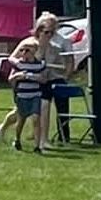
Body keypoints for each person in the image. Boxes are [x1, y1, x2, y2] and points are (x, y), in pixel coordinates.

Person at [35, 12, 75, 149]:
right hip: (42, 79)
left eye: (52, 24)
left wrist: (67, 76)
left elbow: (70, 60)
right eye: (46, 25)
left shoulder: (63, 40)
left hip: (58, 77)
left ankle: (64, 136)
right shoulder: (37, 40)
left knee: (63, 109)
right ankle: (39, 136)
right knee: (40, 108)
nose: (49, 28)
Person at [8, 38, 47, 151]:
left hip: (35, 95)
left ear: (34, 51)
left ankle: (37, 146)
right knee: (21, 120)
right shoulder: (19, 64)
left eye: (27, 50)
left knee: (36, 118)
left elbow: (44, 79)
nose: (24, 53)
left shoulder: (40, 65)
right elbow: (11, 79)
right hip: (22, 95)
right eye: (22, 50)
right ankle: (17, 139)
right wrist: (17, 76)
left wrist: (31, 76)